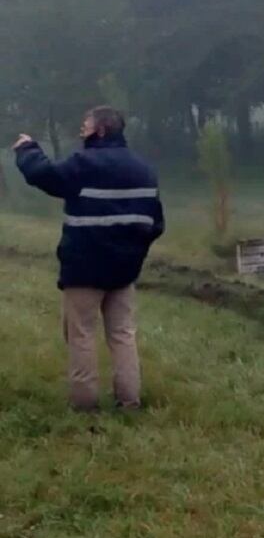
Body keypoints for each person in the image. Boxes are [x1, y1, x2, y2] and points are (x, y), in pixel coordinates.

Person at [11, 107, 164, 411]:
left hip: (84, 269)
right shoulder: (144, 169)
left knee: (80, 334)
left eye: (85, 125)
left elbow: (45, 176)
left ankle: (84, 406)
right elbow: (155, 223)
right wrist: (132, 252)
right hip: (124, 271)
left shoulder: (83, 164)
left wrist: (28, 149)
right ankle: (129, 402)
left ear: (102, 130)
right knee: (123, 335)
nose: (82, 129)